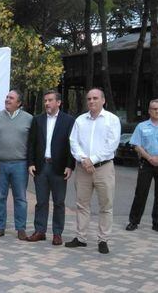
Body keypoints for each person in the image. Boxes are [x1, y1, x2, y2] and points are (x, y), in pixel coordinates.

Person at [65, 88, 121, 254]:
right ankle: (81, 237)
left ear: (103, 100)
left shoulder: (112, 120)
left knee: (106, 205)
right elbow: (73, 142)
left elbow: (112, 144)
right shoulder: (80, 120)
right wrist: (83, 159)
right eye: (89, 99)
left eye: (95, 98)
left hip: (103, 168)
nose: (91, 101)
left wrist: (93, 159)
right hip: (83, 169)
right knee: (82, 204)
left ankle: (103, 239)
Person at [27, 90, 75, 246]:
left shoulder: (68, 121)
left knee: (59, 202)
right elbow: (31, 143)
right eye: (45, 100)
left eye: (50, 100)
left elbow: (71, 145)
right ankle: (40, 231)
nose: (46, 103)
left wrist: (69, 165)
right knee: (41, 201)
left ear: (59, 102)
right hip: (41, 167)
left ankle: (57, 233)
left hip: (59, 168)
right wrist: (31, 163)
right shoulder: (37, 120)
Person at [0, 89, 33, 240]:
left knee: (20, 198)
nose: (7, 100)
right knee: (0, 197)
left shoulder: (29, 119)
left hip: (20, 164)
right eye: (7, 97)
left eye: (11, 98)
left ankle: (21, 229)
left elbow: (33, 144)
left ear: (19, 103)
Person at [126, 99, 158, 232]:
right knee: (141, 193)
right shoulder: (142, 126)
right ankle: (133, 221)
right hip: (146, 163)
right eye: (154, 109)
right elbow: (136, 145)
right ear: (149, 111)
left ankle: (156, 223)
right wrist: (150, 158)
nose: (157, 111)